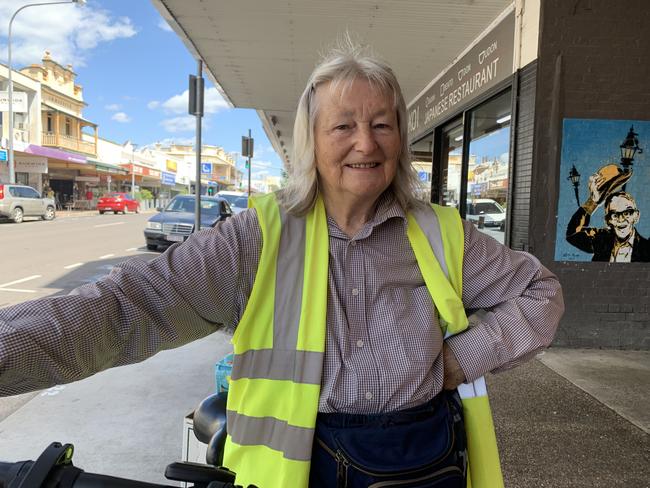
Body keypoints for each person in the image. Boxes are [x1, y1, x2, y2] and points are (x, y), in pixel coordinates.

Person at [0, 41, 563, 488]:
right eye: (343, 125)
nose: (365, 142)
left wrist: (460, 360)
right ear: (310, 143)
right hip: (296, 472)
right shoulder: (257, 238)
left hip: (420, 465)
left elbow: (540, 293)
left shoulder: (443, 232)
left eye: (382, 124)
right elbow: (130, 308)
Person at [566, 167, 649, 262]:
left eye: (627, 213)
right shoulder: (601, 240)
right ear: (608, 220)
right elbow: (572, 234)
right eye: (614, 215)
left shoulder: (647, 248)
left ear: (636, 215)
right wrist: (592, 202)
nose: (621, 219)